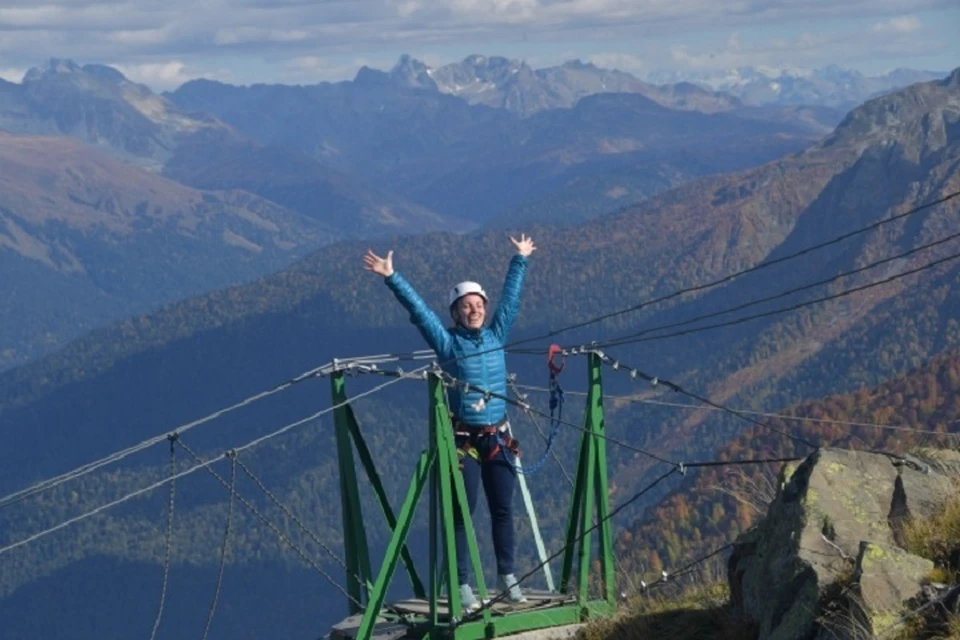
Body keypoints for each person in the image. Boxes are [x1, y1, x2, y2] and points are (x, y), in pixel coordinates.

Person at [362, 234, 536, 611]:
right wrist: (392, 277)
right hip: (465, 441)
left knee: (503, 509)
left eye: (477, 305)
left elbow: (511, 302)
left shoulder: (496, 334)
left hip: (499, 437)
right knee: (463, 512)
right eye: (466, 306)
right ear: (456, 314)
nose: (474, 310)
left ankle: (508, 577)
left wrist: (519, 258)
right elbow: (421, 313)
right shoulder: (448, 344)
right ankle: (461, 585)